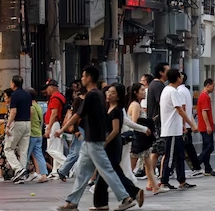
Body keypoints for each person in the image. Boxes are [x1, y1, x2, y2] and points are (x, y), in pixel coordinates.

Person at [56, 66, 136, 211]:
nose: (81, 78)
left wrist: (61, 129)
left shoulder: (92, 95)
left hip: (94, 139)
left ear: (89, 78)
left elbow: (77, 115)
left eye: (83, 76)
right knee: (82, 171)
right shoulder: (98, 94)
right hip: (91, 139)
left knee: (106, 170)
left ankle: (126, 198)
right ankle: (72, 202)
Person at [92, 83, 145, 210]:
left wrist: (104, 142)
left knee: (109, 173)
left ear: (119, 97)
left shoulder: (116, 111)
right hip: (111, 144)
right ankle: (103, 203)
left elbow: (115, 130)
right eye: (108, 92)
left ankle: (131, 193)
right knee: (109, 173)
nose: (109, 94)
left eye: (113, 93)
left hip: (113, 144)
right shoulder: (108, 108)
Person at [159, 69, 198, 190]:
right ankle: (164, 181)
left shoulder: (167, 90)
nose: (182, 77)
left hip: (175, 129)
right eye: (180, 76)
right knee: (170, 157)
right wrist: (191, 124)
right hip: (171, 131)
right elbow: (180, 110)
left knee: (179, 156)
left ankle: (182, 181)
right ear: (177, 78)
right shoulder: (172, 91)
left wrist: (181, 126)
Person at [5, 75, 33, 183]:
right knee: (23, 150)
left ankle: (18, 169)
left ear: (13, 83)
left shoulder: (14, 95)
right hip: (27, 123)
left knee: (8, 148)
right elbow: (31, 111)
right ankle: (22, 174)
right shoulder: (27, 94)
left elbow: (13, 112)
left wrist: (8, 125)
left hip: (17, 123)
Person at [42, 79, 67, 179]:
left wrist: (48, 129)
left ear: (52, 87)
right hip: (56, 124)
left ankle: (67, 165)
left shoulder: (55, 97)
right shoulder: (59, 96)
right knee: (57, 149)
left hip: (53, 124)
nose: (46, 90)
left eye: (47, 87)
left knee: (51, 149)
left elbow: (54, 113)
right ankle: (55, 171)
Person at [27, 88, 49, 183]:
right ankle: (44, 174)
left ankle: (22, 174)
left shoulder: (31, 106)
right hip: (38, 133)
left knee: (25, 154)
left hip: (32, 133)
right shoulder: (38, 106)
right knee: (39, 154)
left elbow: (29, 118)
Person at [197, 79, 215, 176]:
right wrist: (208, 126)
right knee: (210, 147)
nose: (214, 88)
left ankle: (207, 168)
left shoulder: (203, 96)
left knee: (206, 146)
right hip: (205, 126)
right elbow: (204, 112)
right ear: (208, 85)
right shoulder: (205, 97)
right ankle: (198, 162)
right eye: (213, 86)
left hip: (203, 126)